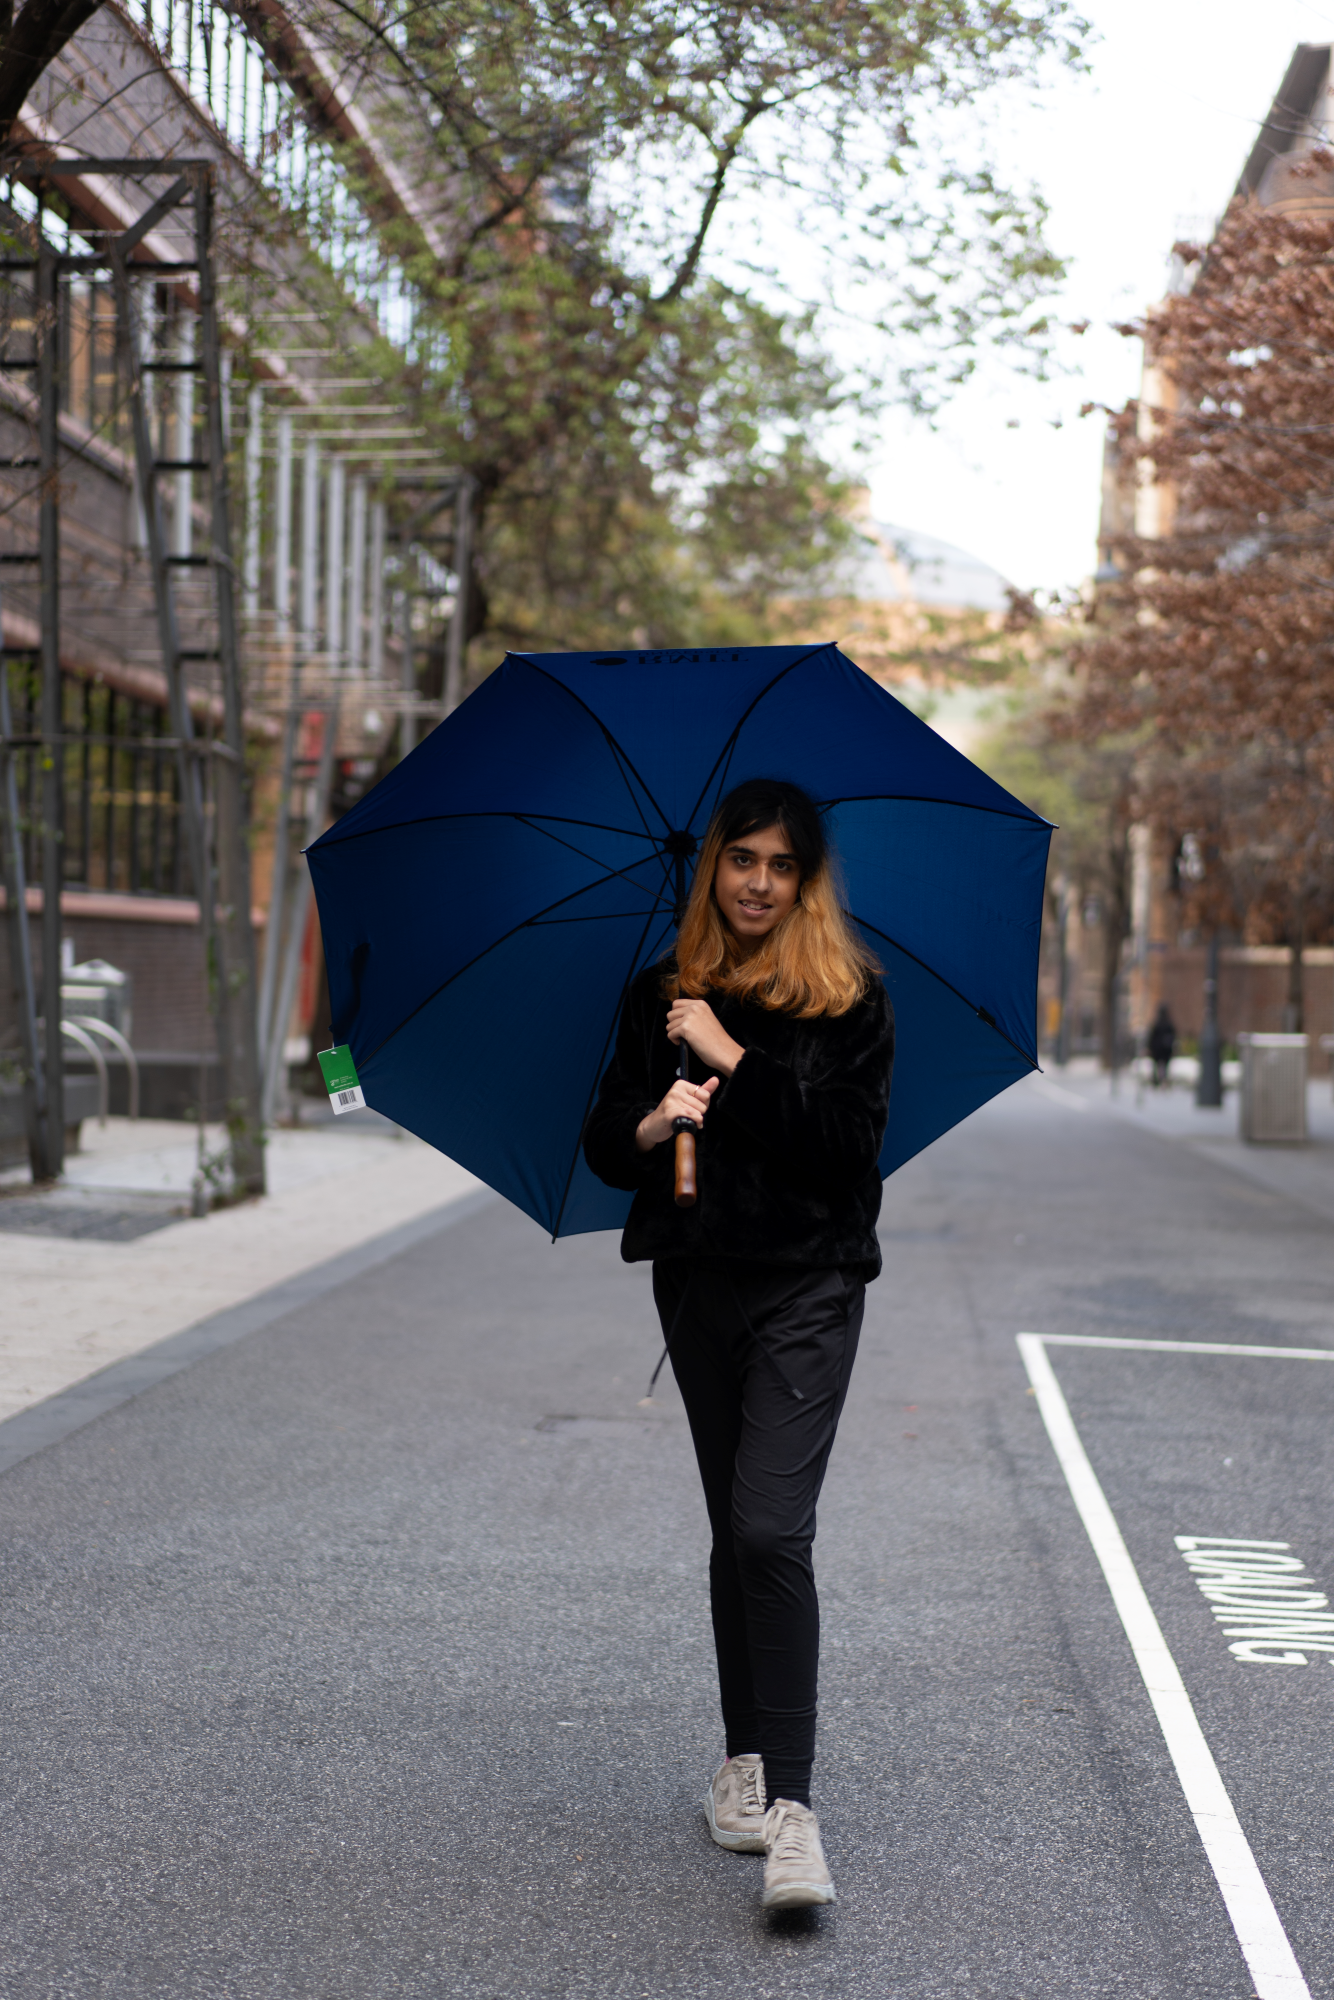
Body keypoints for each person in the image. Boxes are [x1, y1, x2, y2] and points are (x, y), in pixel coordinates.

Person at [583, 777, 894, 1911]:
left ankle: (796, 1816)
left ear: (804, 880)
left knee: (770, 1523)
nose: (757, 881)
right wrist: (652, 1119)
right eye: (740, 860)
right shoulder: (658, 997)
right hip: (696, 1286)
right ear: (712, 866)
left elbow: (847, 1151)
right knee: (733, 1527)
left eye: (779, 864)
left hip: (807, 1286)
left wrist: (731, 1054)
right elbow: (604, 1141)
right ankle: (744, 1760)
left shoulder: (847, 997)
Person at [1147, 1003, 1177, 1088]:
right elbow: (1173, 1036)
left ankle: (1157, 1081)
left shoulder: (1157, 1023)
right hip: (1165, 1049)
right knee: (1165, 1067)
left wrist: (1150, 1047)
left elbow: (1152, 1037)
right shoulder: (1168, 1024)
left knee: (1157, 1066)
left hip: (1157, 1049)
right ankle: (1164, 1080)